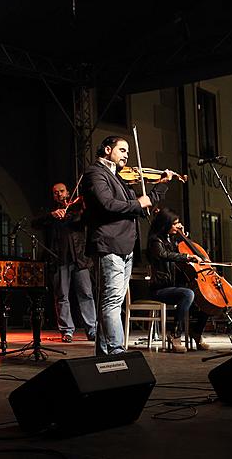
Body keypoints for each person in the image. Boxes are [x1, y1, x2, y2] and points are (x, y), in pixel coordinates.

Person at [81, 135, 174, 356]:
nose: (126, 155)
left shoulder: (118, 178)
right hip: (109, 244)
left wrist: (159, 188)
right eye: (122, 150)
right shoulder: (95, 173)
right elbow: (107, 204)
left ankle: (104, 353)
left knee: (112, 304)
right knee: (111, 303)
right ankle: (116, 351)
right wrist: (139, 202)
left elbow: (139, 208)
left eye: (128, 151)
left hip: (125, 247)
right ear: (106, 149)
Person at [31, 182, 95, 343]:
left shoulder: (76, 209)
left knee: (86, 294)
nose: (59, 194)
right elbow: (34, 223)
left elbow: (84, 218)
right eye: (55, 192)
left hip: (80, 258)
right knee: (61, 296)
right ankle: (67, 331)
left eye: (61, 191)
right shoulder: (49, 212)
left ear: (68, 193)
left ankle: (92, 329)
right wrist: (51, 215)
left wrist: (80, 207)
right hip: (58, 259)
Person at [147, 207, 211, 352]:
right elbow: (165, 254)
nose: (177, 226)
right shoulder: (155, 241)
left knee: (208, 297)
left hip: (174, 286)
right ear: (165, 224)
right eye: (174, 223)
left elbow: (182, 249)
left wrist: (182, 235)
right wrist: (187, 257)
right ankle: (175, 334)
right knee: (188, 294)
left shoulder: (171, 240)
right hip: (160, 289)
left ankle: (196, 332)